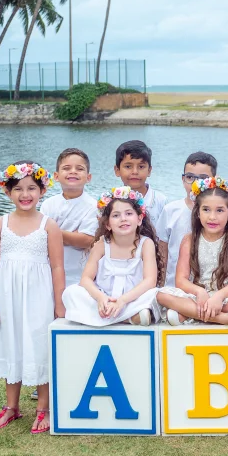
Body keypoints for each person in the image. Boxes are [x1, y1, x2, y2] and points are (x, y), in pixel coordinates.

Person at [0, 161, 66, 434]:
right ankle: (11, 406)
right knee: (11, 343)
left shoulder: (48, 225)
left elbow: (57, 266)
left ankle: (44, 408)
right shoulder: (0, 224)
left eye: (31, 188)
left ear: (42, 190)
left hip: (39, 294)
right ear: (8, 192)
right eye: (18, 189)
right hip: (7, 295)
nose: (25, 194)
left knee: (38, 344)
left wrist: (59, 302)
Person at [158, 177, 228, 327]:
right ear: (197, 212)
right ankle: (227, 319)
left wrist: (218, 297)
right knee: (161, 295)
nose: (212, 217)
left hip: (227, 294)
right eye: (206, 210)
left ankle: (190, 313)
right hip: (198, 295)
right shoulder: (189, 239)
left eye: (219, 210)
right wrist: (199, 292)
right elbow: (181, 280)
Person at [62, 187, 163, 326]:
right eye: (116, 215)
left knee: (155, 295)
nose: (123, 219)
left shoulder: (146, 244)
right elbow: (85, 279)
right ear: (108, 224)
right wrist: (100, 298)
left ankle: (119, 315)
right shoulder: (102, 244)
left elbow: (150, 281)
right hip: (105, 299)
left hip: (132, 299)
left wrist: (122, 301)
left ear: (139, 219)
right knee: (71, 292)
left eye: (129, 213)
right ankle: (128, 317)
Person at [39, 148, 97, 287]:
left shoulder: (93, 206)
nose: (73, 172)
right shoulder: (48, 204)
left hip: (78, 274)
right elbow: (41, 236)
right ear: (56, 176)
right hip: (48, 271)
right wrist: (72, 236)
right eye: (66, 168)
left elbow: (86, 240)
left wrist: (53, 232)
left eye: (79, 169)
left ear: (88, 177)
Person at [161, 151, 217, 288]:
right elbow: (162, 251)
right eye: (190, 177)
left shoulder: (218, 213)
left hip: (210, 286)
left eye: (203, 178)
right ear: (183, 179)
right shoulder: (171, 210)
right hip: (174, 286)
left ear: (213, 180)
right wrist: (161, 284)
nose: (195, 183)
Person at [114, 140, 168, 264]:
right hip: (120, 263)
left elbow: (165, 241)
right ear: (117, 170)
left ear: (149, 170)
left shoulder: (161, 201)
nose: (135, 172)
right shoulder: (111, 201)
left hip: (154, 264)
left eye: (141, 167)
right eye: (128, 166)